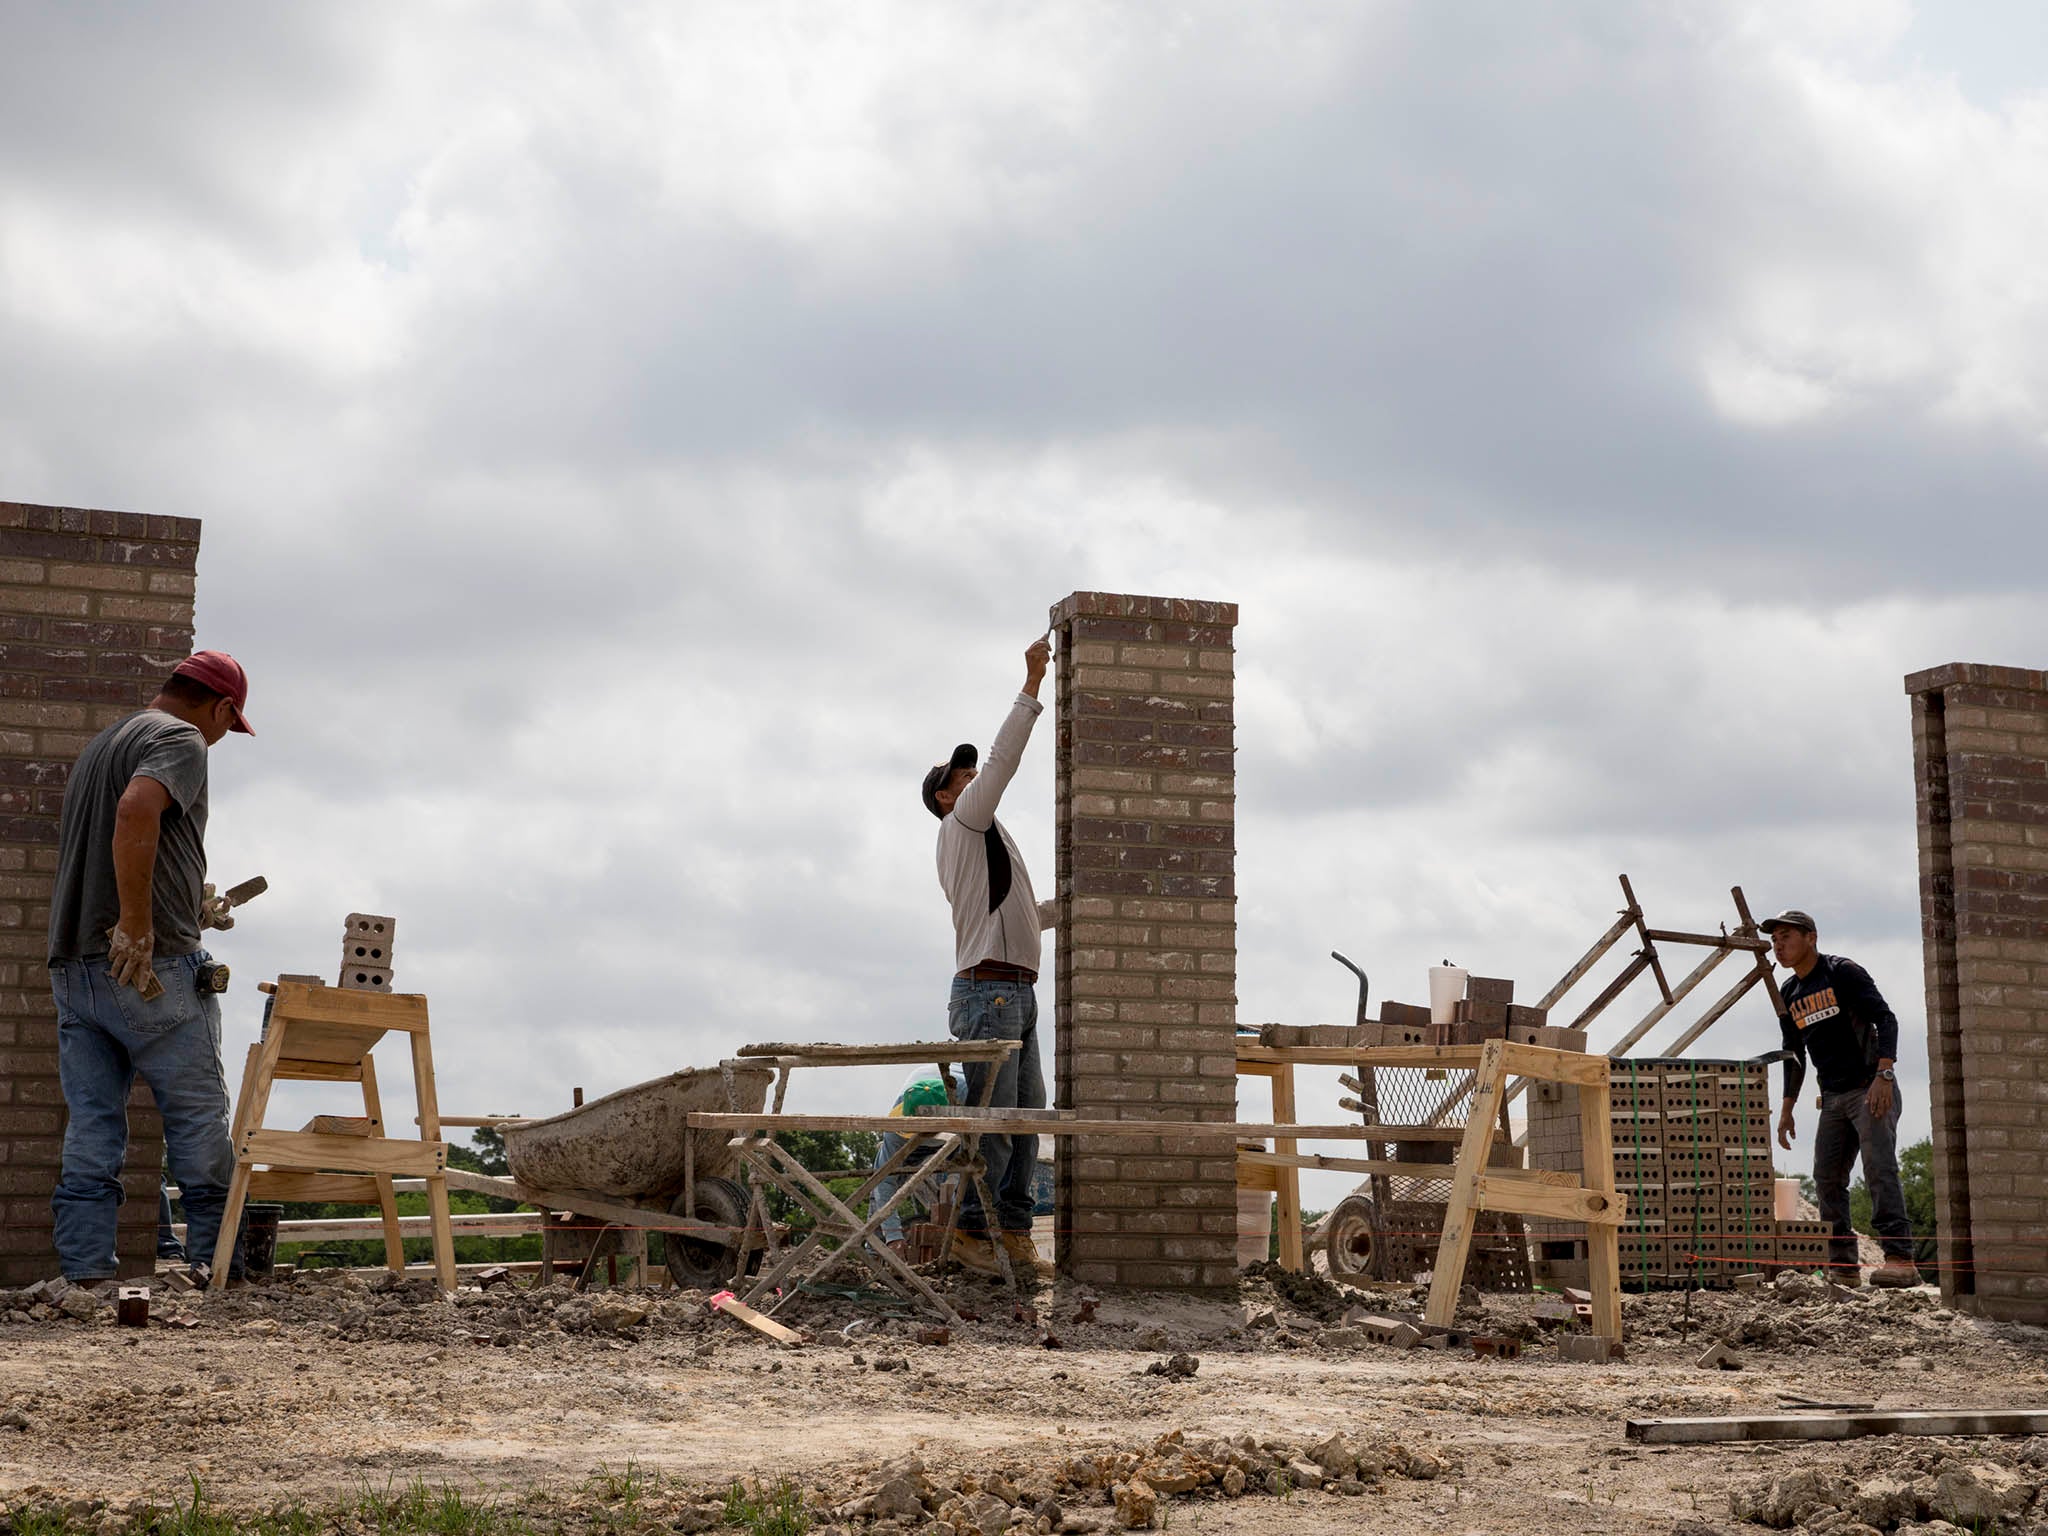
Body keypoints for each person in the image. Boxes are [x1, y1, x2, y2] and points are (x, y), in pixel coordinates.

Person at [46, 652, 255, 1286]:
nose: (222, 736)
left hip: (76, 970)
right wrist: (139, 924)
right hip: (148, 968)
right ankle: (216, 1271)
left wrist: (184, 895)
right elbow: (137, 811)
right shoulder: (182, 737)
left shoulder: (105, 743)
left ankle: (85, 1278)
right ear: (219, 707)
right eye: (229, 724)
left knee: (93, 1125)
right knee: (197, 1119)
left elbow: (130, 834)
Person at [921, 634, 1057, 1278]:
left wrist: (1079, 906)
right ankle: (976, 1236)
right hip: (990, 992)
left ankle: (1012, 1231)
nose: (973, 779)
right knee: (999, 1123)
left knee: (1027, 1117)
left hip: (1014, 991)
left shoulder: (989, 842)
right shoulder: (964, 825)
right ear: (947, 798)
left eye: (969, 775)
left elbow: (1022, 919)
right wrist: (1031, 686)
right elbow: (1004, 760)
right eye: (962, 779)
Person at [1763, 908, 1919, 1288]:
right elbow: (1793, 1054)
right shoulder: (1789, 992)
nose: (1778, 946)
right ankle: (1843, 1266)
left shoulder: (1842, 972)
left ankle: (1900, 1259)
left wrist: (1885, 1074)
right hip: (1832, 1097)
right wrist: (1786, 1109)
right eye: (1774, 940)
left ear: (1811, 937)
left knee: (1879, 1169)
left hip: (1870, 1087)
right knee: (1827, 1178)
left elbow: (1887, 1019)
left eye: (1786, 937)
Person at [868, 1064, 967, 1255]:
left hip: (957, 1131)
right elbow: (883, 1181)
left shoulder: (969, 1098)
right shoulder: (898, 1122)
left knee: (966, 1179)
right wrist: (893, 1236)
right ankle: (875, 1252)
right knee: (880, 1187)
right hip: (926, 1129)